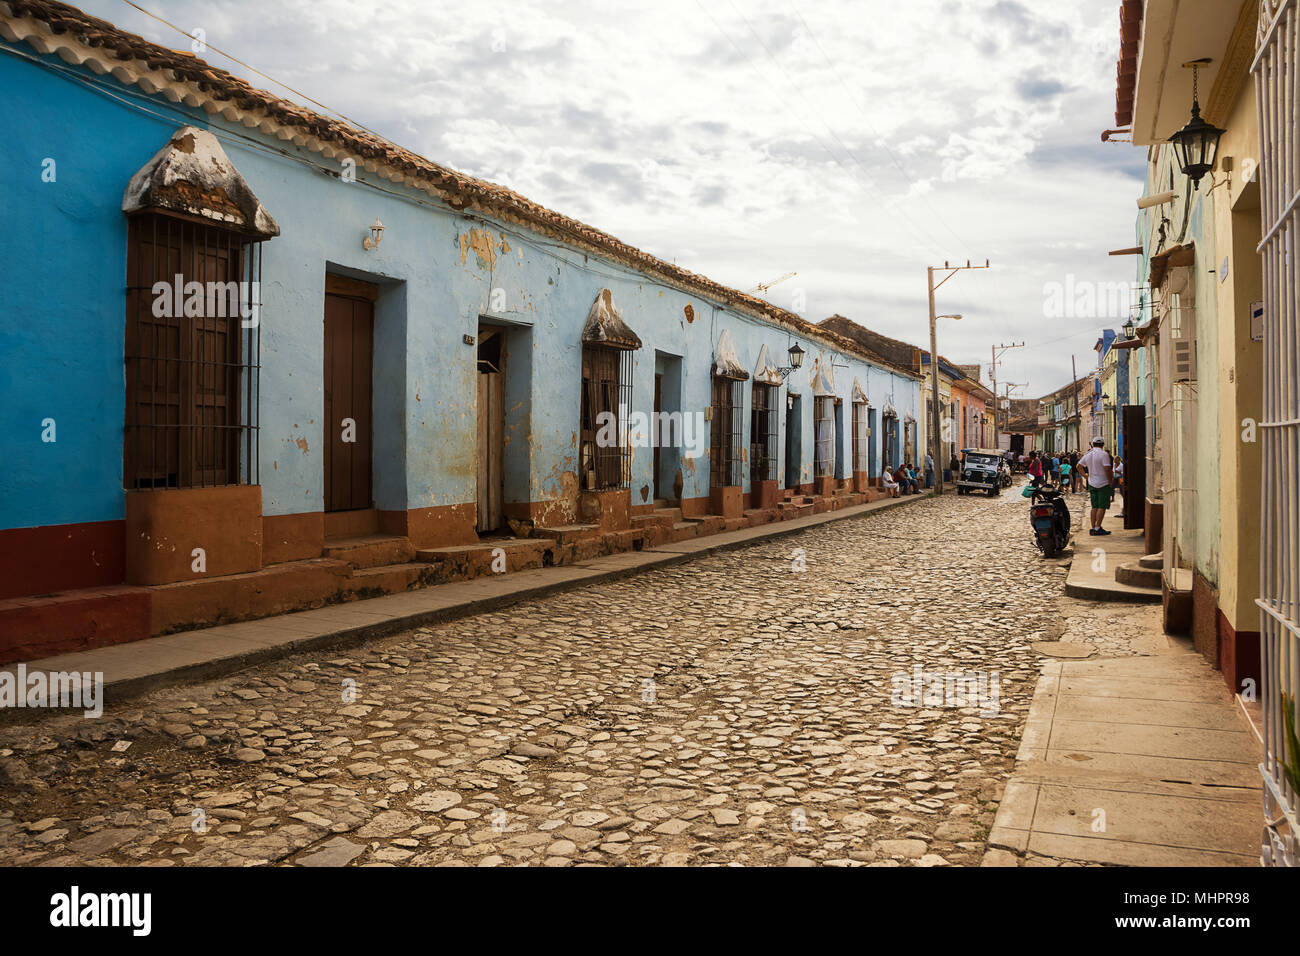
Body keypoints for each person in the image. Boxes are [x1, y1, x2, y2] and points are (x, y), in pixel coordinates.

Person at [1078, 437, 1115, 535]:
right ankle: (1098, 528)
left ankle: (1093, 527)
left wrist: (1085, 476)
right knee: (1102, 506)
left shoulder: (1088, 454)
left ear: (1093, 444)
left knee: (1094, 506)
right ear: (1103, 445)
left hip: (1092, 483)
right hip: (1103, 483)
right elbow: (1107, 469)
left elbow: (1079, 466)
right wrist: (1110, 481)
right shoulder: (1104, 454)